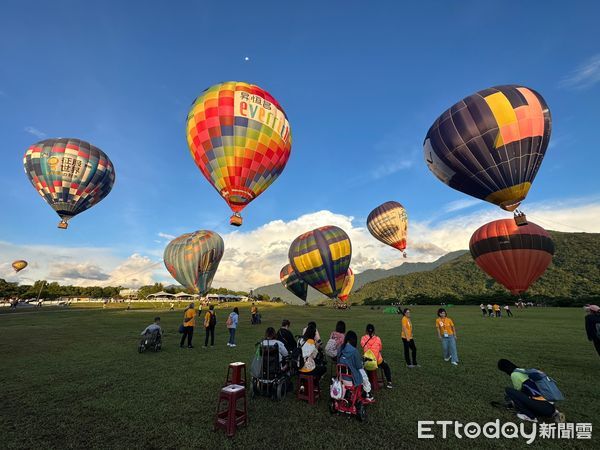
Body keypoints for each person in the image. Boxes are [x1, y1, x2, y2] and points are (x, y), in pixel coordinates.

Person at [497, 359, 565, 423]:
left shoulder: (514, 375)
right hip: (550, 407)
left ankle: (530, 416)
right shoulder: (522, 370)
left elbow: (519, 394)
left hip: (542, 407)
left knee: (509, 391)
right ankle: (555, 413)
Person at [338, 330, 373, 401]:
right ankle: (367, 393)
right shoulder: (354, 351)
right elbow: (359, 366)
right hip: (351, 379)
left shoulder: (341, 348)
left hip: (341, 377)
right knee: (364, 375)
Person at [360, 324, 393, 388]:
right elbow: (380, 349)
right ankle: (389, 382)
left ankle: (369, 382)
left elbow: (362, 345)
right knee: (386, 367)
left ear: (366, 330)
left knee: (367, 366)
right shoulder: (378, 339)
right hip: (377, 361)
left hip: (367, 361)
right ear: (374, 331)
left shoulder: (363, 338)